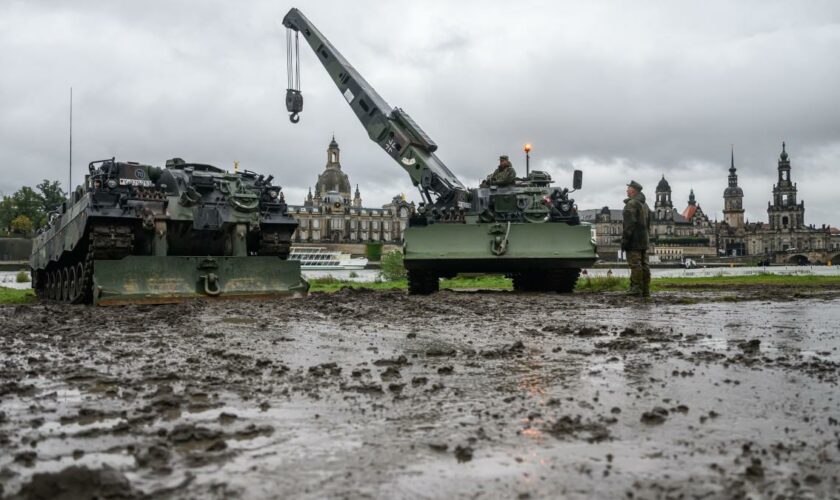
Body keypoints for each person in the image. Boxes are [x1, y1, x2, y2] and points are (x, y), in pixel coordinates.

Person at [622, 180, 651, 298]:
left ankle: (635, 288)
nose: (626, 190)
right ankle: (645, 289)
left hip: (634, 240)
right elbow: (649, 224)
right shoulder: (645, 205)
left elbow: (629, 225)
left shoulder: (631, 204)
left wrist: (624, 241)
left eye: (628, 188)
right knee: (644, 264)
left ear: (633, 190)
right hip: (644, 240)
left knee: (635, 265)